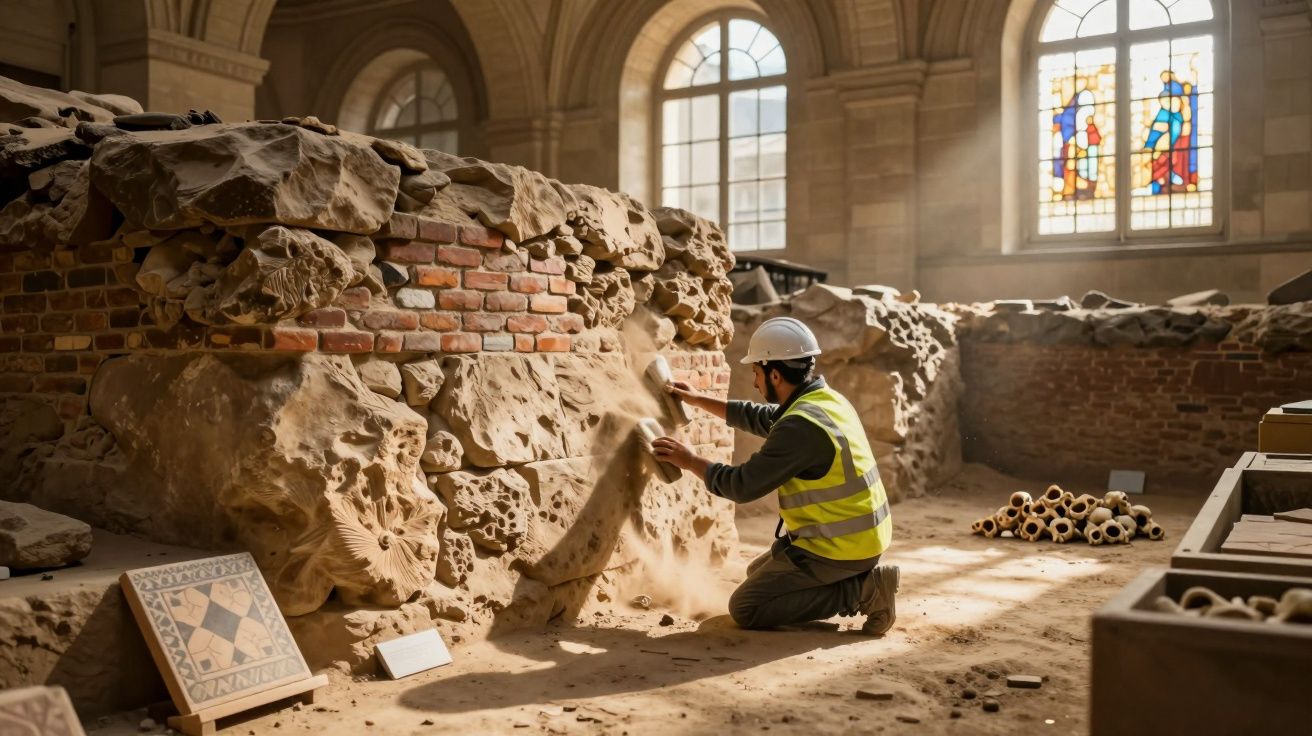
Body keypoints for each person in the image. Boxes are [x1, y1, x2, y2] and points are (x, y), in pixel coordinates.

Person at [651, 316, 899, 634]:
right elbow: (763, 417)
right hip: (859, 538)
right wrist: (698, 399)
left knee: (747, 607)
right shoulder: (825, 402)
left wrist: (689, 460)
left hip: (840, 548)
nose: (755, 383)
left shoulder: (801, 427)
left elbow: (741, 486)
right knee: (757, 573)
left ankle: (864, 591)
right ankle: (855, 580)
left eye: (757, 373)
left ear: (776, 374)